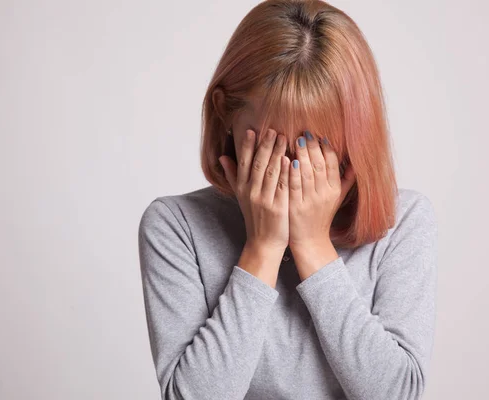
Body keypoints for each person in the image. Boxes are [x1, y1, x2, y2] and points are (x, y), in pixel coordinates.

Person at [137, 1, 438, 399]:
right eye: (274, 143)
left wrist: (313, 246)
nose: (295, 169)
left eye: (316, 146)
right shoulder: (176, 225)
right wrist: (261, 248)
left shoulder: (404, 222)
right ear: (226, 113)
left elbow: (398, 394)